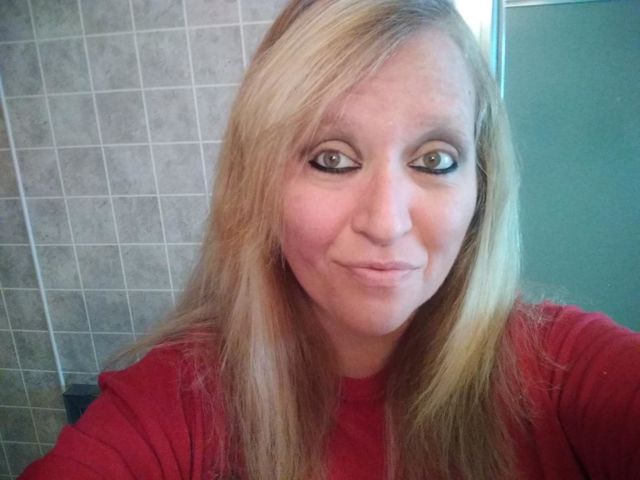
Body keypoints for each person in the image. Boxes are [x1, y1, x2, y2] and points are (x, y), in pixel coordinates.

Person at [20, 0, 640, 479]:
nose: (386, 222)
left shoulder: (561, 371)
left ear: (483, 183)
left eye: (434, 160)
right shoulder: (177, 400)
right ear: (260, 184)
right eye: (332, 159)